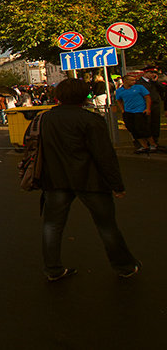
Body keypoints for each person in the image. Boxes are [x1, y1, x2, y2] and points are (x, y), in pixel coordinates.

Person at [37, 78, 140, 281]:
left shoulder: (45, 118)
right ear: (84, 97)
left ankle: (52, 268)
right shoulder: (91, 120)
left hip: (56, 180)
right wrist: (116, 185)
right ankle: (124, 266)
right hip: (90, 180)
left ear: (59, 96)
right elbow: (104, 155)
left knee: (52, 225)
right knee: (106, 225)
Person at [113, 74, 153, 153]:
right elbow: (118, 100)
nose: (134, 82)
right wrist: (122, 109)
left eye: (134, 80)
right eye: (131, 80)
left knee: (142, 128)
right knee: (133, 129)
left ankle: (152, 144)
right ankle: (143, 145)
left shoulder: (139, 87)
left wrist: (147, 108)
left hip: (140, 110)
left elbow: (147, 97)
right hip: (128, 111)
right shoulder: (119, 91)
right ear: (125, 81)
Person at [135, 66, 162, 151]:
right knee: (147, 124)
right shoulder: (139, 83)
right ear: (145, 73)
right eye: (151, 73)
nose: (152, 75)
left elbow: (163, 90)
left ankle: (155, 142)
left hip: (155, 105)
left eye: (154, 73)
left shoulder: (155, 82)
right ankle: (147, 142)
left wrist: (156, 82)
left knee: (155, 123)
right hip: (145, 105)